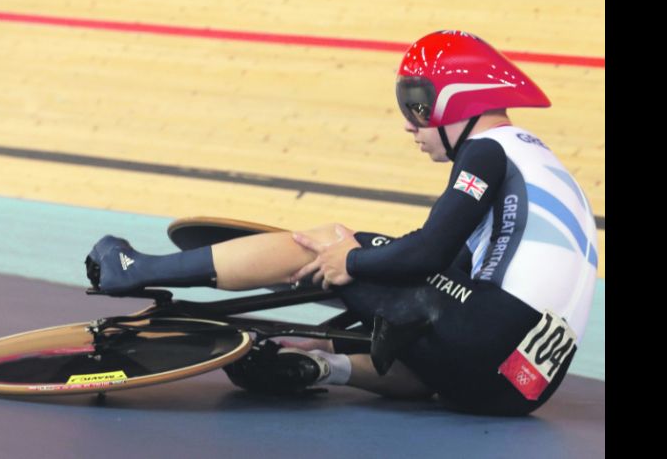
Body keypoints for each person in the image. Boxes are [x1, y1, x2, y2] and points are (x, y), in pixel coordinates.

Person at [85, 30, 598, 416]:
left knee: (328, 241)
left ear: (457, 101)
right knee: (416, 326)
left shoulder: (487, 150)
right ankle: (323, 365)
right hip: (518, 390)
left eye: (417, 105)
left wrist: (349, 258)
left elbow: (426, 256)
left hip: (483, 335)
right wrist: (342, 325)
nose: (409, 123)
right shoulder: (542, 163)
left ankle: (133, 267)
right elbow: (455, 273)